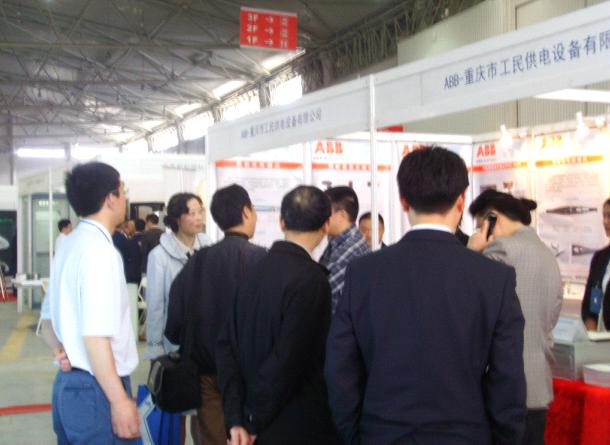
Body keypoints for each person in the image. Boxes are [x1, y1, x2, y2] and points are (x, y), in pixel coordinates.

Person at [325, 146, 526, 445]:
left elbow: (340, 369)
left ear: (403, 200)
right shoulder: (494, 279)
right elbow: (507, 382)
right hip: (465, 436)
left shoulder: (363, 274)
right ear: (461, 200)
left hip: (382, 434)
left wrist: (355, 434)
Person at [217, 185, 340, 445]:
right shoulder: (313, 281)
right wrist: (251, 419)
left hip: (253, 424)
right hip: (295, 425)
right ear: (326, 225)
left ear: (282, 221)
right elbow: (287, 360)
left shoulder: (252, 271)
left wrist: (236, 418)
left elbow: (226, 347)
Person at [39, 161, 140, 443]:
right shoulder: (100, 253)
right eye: (123, 191)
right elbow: (95, 337)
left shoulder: (69, 244)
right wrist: (119, 401)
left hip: (69, 386)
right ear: (111, 198)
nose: (125, 198)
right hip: (96, 390)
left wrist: (62, 349)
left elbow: (46, 321)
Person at [165, 184, 266, 445]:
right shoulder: (262, 260)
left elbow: (174, 319)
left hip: (206, 375)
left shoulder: (197, 260)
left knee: (212, 438)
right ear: (246, 212)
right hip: (249, 378)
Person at [468, 190, 562, 445]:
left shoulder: (501, 249)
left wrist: (472, 253)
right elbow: (552, 318)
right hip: (538, 390)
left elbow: (470, 304)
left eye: (480, 226)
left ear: (492, 219)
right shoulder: (548, 255)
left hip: (503, 392)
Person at [144, 192, 211, 444]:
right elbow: (155, 306)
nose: (198, 218)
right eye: (192, 213)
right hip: (174, 348)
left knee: (205, 414)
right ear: (177, 218)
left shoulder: (209, 248)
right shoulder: (159, 256)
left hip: (205, 347)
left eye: (200, 211)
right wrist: (156, 349)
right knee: (176, 412)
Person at [319, 186, 370, 313]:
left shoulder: (351, 249)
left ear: (341, 215)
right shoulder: (339, 241)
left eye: (325, 211)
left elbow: (319, 292)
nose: (320, 216)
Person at [582, 197, 610, 331]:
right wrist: (591, 324)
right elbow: (592, 298)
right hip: (600, 336)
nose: (605, 221)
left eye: (609, 216)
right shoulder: (600, 257)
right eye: (604, 216)